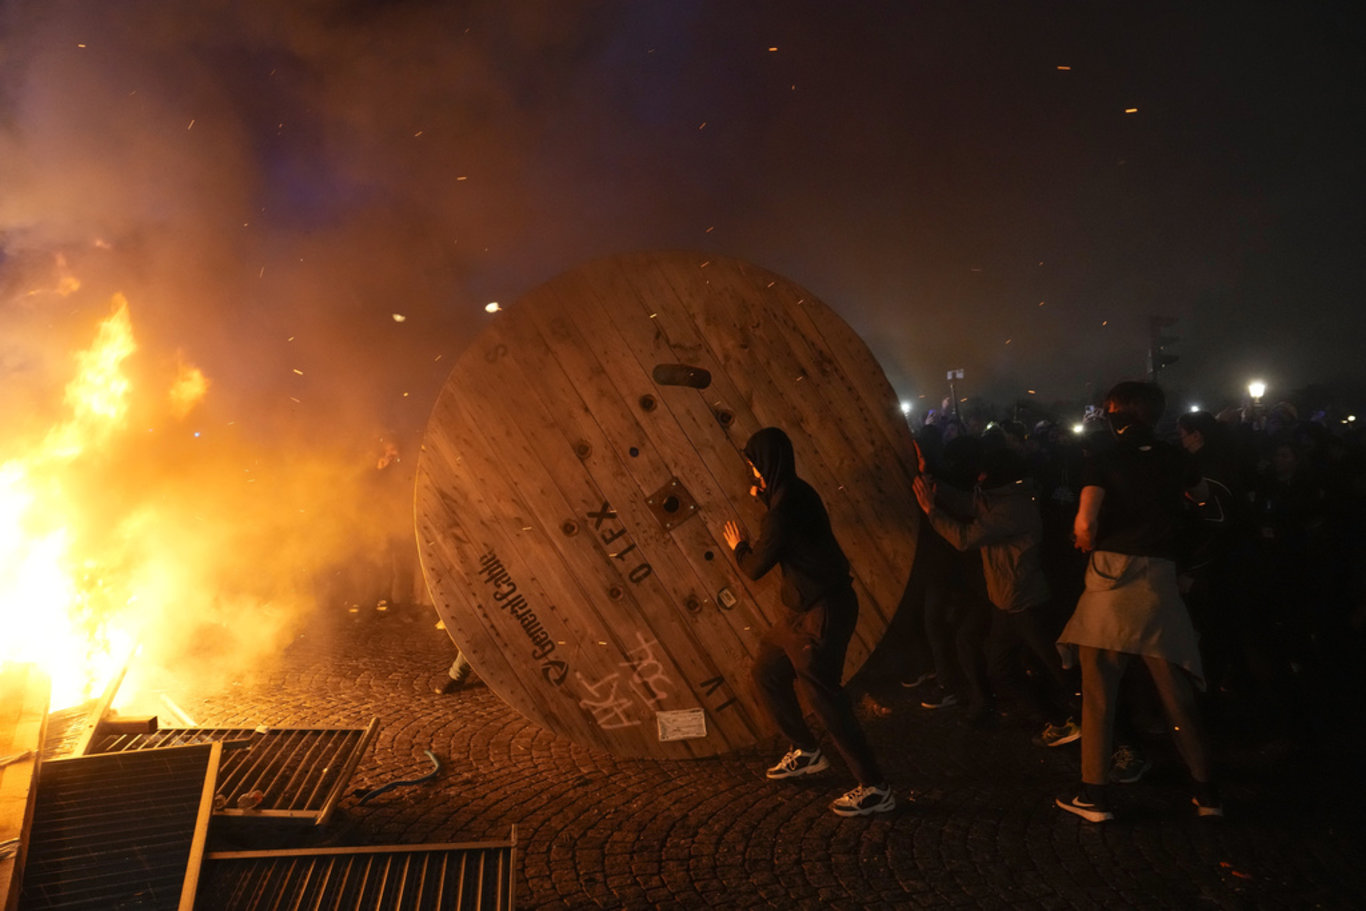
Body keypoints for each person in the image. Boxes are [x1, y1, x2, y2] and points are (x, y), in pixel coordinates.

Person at [1055, 381, 1222, 822]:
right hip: (1159, 582)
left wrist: (1082, 540)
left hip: (1111, 581)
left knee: (1099, 695)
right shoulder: (1178, 458)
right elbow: (1204, 501)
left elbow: (1086, 523)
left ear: (1115, 413)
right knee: (1177, 695)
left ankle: (1095, 795)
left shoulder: (1103, 459)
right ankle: (1207, 793)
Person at [721, 427, 894, 817]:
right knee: (767, 671)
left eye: (753, 466)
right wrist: (764, 495)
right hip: (801, 612)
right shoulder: (797, 492)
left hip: (823, 611)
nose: (751, 472)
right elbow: (785, 517)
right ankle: (806, 749)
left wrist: (738, 547)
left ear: (767, 465)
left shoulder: (782, 512)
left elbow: (754, 568)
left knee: (824, 698)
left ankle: (876, 787)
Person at [913, 445, 1079, 741]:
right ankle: (1059, 719)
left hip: (1028, 604)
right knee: (1001, 671)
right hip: (1007, 604)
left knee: (1059, 670)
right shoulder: (998, 497)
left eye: (983, 473)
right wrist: (929, 479)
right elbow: (967, 503)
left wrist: (931, 511)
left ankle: (1098, 724)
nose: (978, 478)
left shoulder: (1014, 507)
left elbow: (965, 538)